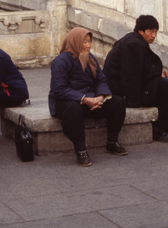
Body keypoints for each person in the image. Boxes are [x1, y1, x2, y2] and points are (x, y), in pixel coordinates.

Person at [48, 27, 127, 167]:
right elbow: (59, 89)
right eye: (84, 42)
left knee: (118, 102)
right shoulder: (60, 61)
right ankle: (81, 149)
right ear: (75, 42)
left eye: (89, 41)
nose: (88, 45)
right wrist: (84, 99)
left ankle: (112, 141)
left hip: (90, 100)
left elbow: (101, 80)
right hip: (67, 101)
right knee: (73, 110)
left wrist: (101, 97)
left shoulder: (90, 58)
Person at [103, 15, 168, 143]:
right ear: (141, 31)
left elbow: (142, 68)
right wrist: (133, 103)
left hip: (120, 87)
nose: (154, 35)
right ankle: (160, 129)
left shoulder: (135, 40)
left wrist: (157, 73)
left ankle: (162, 126)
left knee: (161, 83)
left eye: (155, 32)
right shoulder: (134, 44)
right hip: (120, 91)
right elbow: (131, 76)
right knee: (163, 85)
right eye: (151, 31)